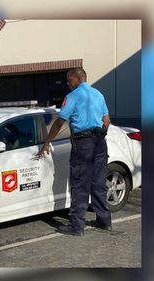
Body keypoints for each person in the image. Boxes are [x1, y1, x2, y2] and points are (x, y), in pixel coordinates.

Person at [37, 68, 111, 236]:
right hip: (100, 143)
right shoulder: (98, 94)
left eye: (69, 80)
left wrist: (46, 142)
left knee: (79, 185)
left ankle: (76, 226)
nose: (68, 84)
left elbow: (59, 122)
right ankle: (104, 221)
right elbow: (107, 120)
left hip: (83, 144)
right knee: (98, 183)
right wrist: (101, 133)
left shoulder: (73, 97)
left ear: (78, 78)